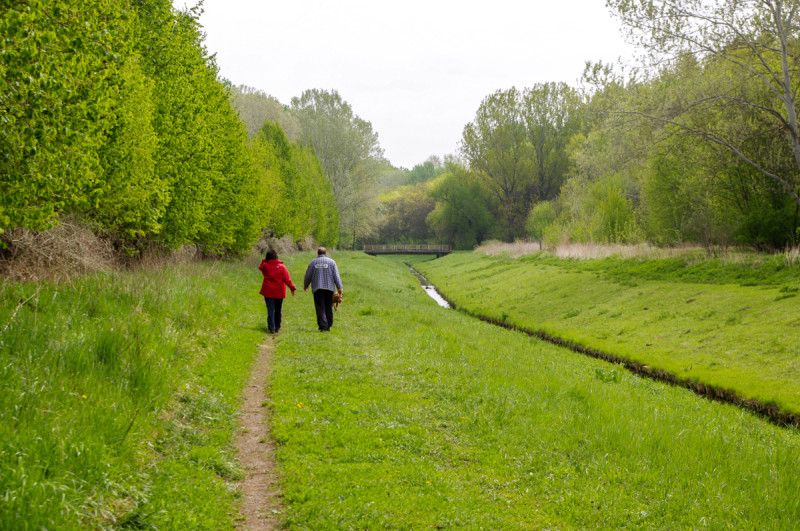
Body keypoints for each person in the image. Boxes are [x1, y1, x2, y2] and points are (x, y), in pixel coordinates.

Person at [303, 247, 343, 332]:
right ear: (326, 253)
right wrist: (339, 288)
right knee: (328, 306)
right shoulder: (332, 262)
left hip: (317, 288)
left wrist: (306, 285)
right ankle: (328, 324)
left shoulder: (313, 262)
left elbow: (308, 275)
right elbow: (336, 276)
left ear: (317, 254)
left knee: (320, 307)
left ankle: (323, 326)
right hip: (329, 288)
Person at [259, 250, 296, 333]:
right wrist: (292, 287)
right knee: (278, 309)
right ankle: (277, 326)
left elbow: (260, 267)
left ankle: (271, 327)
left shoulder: (265, 266)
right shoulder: (282, 267)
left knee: (270, 309)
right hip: (279, 291)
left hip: (268, 291)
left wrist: (264, 260)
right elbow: (287, 279)